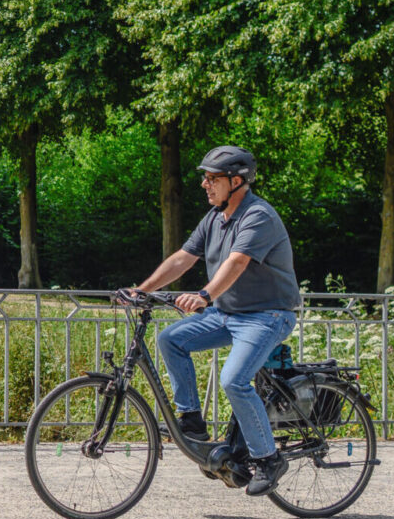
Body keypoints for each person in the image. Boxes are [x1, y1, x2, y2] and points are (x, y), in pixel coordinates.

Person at [123, 145, 300, 497]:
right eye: (205, 178)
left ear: (236, 181)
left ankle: (268, 459)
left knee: (234, 379)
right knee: (171, 339)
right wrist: (140, 290)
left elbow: (236, 263)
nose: (205, 184)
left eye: (212, 178)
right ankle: (192, 423)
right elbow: (182, 258)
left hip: (268, 315)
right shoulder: (215, 218)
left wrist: (204, 295)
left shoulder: (257, 216)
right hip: (229, 313)